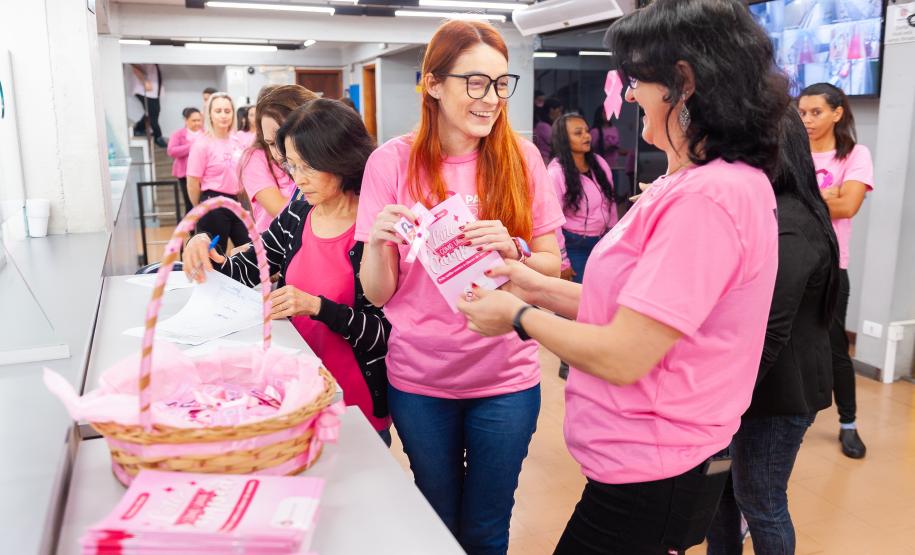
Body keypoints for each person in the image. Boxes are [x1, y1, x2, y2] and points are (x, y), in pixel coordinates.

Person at [457, 0, 790, 553]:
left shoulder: (710, 197)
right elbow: (627, 303)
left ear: (683, 82)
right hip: (642, 463)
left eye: (637, 81)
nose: (630, 96)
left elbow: (624, 353)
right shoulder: (691, 181)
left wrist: (518, 316)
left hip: (655, 469)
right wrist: (531, 283)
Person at [356, 20, 564, 555]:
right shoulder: (391, 162)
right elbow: (377, 295)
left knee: (487, 529)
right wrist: (377, 242)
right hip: (420, 381)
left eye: (500, 83)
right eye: (475, 82)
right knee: (438, 520)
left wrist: (515, 249)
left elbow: (552, 269)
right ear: (432, 83)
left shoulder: (522, 158)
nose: (491, 98)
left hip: (506, 379)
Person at [182, 98, 392, 443]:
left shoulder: (375, 227)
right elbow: (248, 270)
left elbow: (386, 333)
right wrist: (203, 245)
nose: (298, 179)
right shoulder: (298, 214)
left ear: (339, 159)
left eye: (307, 167)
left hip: (355, 403)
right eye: (291, 166)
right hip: (298, 395)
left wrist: (318, 307)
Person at [705, 109, 840, 555]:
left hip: (777, 393)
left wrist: (726, 398)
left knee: (761, 502)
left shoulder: (792, 223)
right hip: (751, 385)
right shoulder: (769, 210)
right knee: (720, 492)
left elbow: (771, 329)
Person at [798, 82, 873, 460]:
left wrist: (805, 196)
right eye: (802, 113)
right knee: (780, 342)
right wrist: (827, 195)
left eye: (816, 112)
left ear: (837, 113)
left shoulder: (855, 155)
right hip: (788, 263)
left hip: (830, 267)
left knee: (834, 348)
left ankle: (848, 423)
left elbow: (848, 207)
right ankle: (789, 414)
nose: (807, 120)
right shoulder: (791, 151)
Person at [233, 85, 317, 233]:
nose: (278, 154)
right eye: (270, 143)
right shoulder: (255, 158)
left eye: (283, 141)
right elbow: (281, 212)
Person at [550, 113, 616, 284]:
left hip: (602, 241)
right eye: (578, 133)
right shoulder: (556, 173)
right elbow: (553, 222)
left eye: (587, 131)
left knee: (602, 290)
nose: (587, 136)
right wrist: (563, 262)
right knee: (580, 296)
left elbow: (611, 203)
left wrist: (613, 236)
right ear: (564, 139)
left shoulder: (599, 163)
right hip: (575, 246)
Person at [186, 92, 248, 253]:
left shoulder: (237, 141)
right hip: (212, 203)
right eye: (218, 111)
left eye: (227, 111)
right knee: (215, 256)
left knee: (249, 249)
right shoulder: (202, 143)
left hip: (236, 202)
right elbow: (192, 182)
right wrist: (200, 207)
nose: (223, 115)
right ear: (210, 114)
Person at [166, 107, 204, 215]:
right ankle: (190, 225)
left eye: (199, 120)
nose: (197, 123)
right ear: (186, 120)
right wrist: (192, 146)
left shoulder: (206, 133)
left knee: (204, 203)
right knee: (190, 203)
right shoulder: (178, 134)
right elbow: (171, 151)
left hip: (203, 174)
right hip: (185, 174)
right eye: (194, 120)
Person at [130, 63, 167, 148]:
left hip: (154, 91)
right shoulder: (142, 57)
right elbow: (134, 65)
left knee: (154, 111)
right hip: (144, 89)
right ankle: (158, 136)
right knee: (152, 113)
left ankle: (139, 128)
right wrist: (144, 81)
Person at [533, 97, 563, 163]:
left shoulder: (548, 125)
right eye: (559, 110)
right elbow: (557, 142)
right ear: (551, 110)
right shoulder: (543, 126)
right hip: (545, 161)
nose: (560, 114)